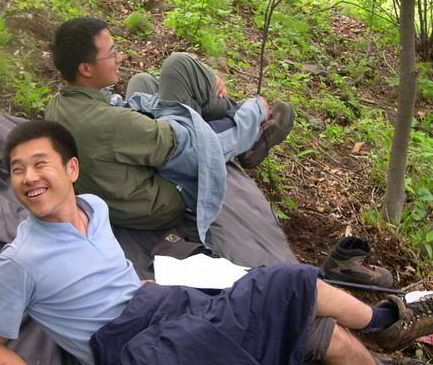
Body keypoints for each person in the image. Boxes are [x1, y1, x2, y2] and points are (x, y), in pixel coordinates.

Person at [0, 121, 433, 365]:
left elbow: (99, 273)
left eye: (40, 164)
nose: (29, 178)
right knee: (286, 282)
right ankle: (385, 322)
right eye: (18, 170)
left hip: (164, 311)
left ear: (72, 169)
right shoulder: (20, 262)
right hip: (140, 360)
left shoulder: (94, 207)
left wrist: (140, 289)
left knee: (319, 329)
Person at [45, 17, 294, 234]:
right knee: (179, 65)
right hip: (162, 201)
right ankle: (252, 131)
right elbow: (199, 151)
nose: (120, 57)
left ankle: (219, 102)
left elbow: (117, 115)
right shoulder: (114, 124)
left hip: (124, 187)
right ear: (85, 68)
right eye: (111, 54)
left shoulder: (58, 104)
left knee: (142, 80)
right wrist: (253, 111)